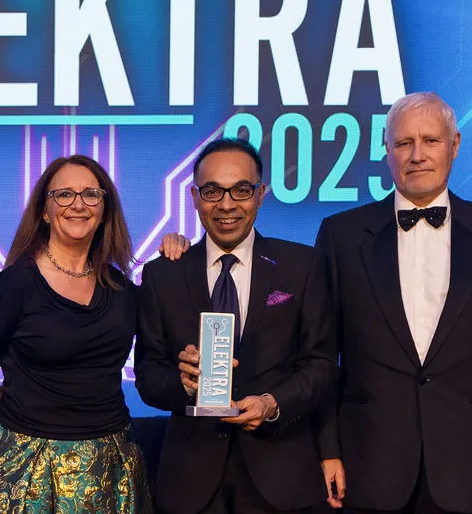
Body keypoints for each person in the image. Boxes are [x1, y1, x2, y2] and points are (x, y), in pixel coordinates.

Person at [313, 91, 472, 514]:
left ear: (454, 145)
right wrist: (327, 448)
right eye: (404, 143)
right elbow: (322, 356)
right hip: (370, 466)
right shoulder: (341, 235)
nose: (417, 155)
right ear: (386, 151)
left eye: (430, 141)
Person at [135, 138, 335, 514]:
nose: (226, 205)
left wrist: (272, 404)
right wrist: (183, 383)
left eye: (241, 190)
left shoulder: (302, 265)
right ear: (195, 197)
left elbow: (321, 364)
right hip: (190, 481)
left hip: (282, 475)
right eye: (212, 191)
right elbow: (147, 375)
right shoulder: (163, 274)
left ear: (260, 194)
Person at [0, 154, 152, 514]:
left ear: (105, 209)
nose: (78, 204)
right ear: (44, 211)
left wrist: (177, 250)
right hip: (29, 469)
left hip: (112, 466)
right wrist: (23, 413)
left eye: (91, 194)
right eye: (64, 194)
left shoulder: (123, 289)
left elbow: (164, 348)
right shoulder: (18, 283)